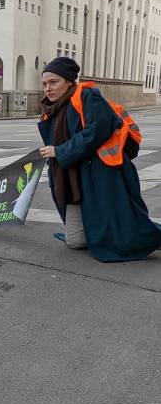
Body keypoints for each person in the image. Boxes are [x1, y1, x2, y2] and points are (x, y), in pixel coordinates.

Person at [37, 56, 161, 262]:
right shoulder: (53, 107)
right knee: (75, 241)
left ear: (69, 81)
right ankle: (94, 234)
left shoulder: (88, 96)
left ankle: (150, 237)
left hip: (101, 174)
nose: (47, 88)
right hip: (72, 176)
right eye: (44, 84)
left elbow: (97, 131)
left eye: (53, 82)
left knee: (126, 228)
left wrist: (60, 151)